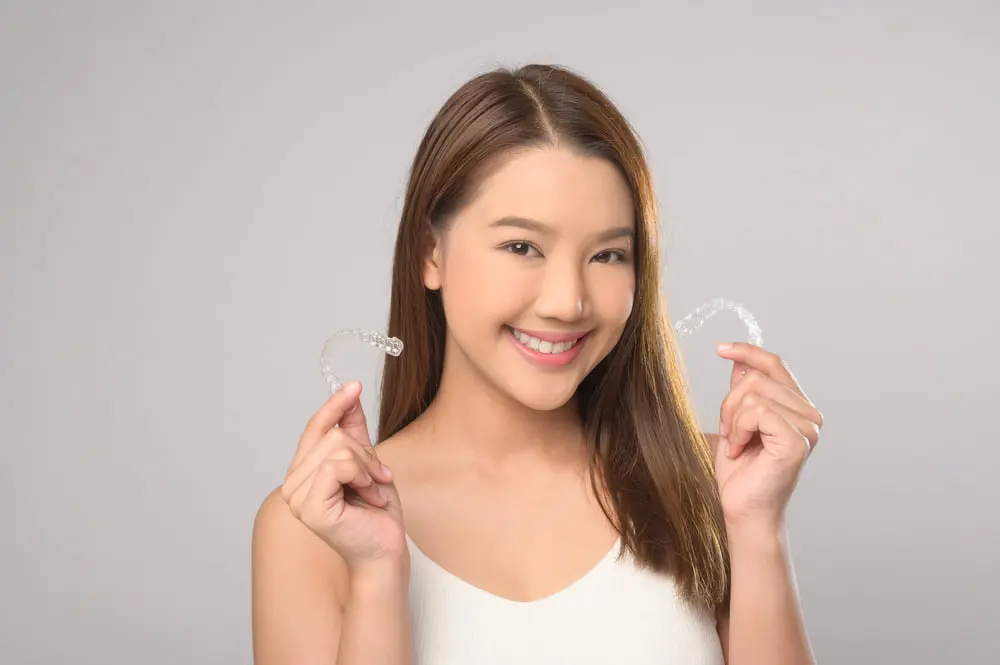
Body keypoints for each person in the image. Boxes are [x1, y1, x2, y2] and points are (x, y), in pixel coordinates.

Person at [251, 63, 824, 665]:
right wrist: (376, 576)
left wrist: (757, 529)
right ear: (430, 254)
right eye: (522, 246)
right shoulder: (314, 526)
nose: (567, 301)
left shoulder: (717, 486)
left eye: (607, 254)